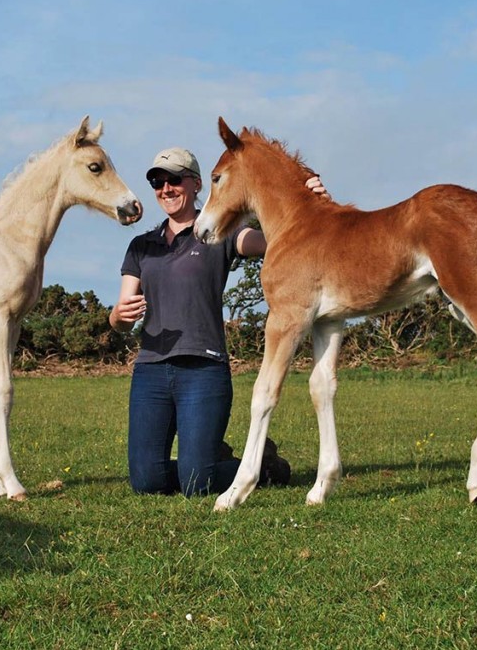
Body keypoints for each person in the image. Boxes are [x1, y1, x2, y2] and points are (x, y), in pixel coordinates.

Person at [109, 146, 327, 497]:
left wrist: (310, 201)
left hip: (204, 370)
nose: (166, 188)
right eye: (157, 182)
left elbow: (280, 237)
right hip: (150, 371)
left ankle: (263, 467)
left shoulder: (220, 233)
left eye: (174, 179)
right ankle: (210, 459)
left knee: (196, 484)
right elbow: (119, 318)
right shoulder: (141, 246)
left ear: (196, 184)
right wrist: (119, 316)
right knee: (147, 483)